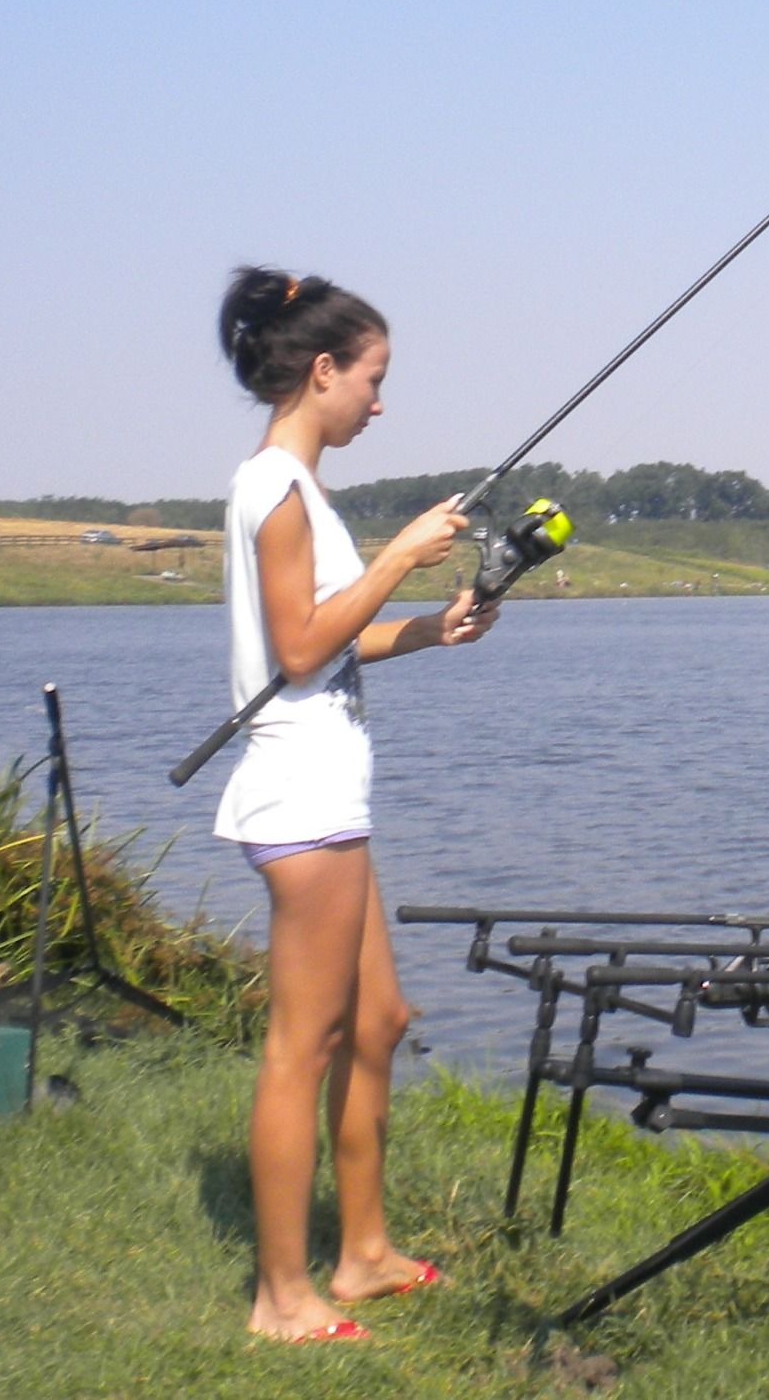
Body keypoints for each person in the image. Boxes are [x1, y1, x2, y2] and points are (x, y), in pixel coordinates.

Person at [213, 264, 497, 1343]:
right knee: (305, 1043)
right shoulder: (276, 490)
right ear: (322, 369)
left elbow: (328, 644)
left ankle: (364, 1253)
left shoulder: (301, 489)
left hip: (332, 788)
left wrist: (427, 627)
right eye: (373, 379)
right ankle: (281, 1295)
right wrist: (400, 557)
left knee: (377, 1019)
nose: (380, 401)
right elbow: (297, 647)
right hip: (301, 796)